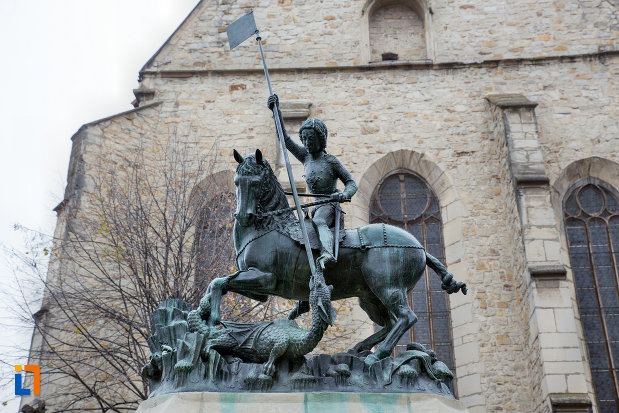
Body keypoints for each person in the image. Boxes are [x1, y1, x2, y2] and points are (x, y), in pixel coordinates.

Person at [268, 94, 358, 269]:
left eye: (312, 139)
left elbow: (351, 182)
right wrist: (276, 111)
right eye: (305, 139)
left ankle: (328, 253)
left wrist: (344, 194)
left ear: (321, 139)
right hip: (314, 206)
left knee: (319, 222)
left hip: (330, 205)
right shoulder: (305, 157)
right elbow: (285, 139)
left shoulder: (331, 161)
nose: (307, 143)